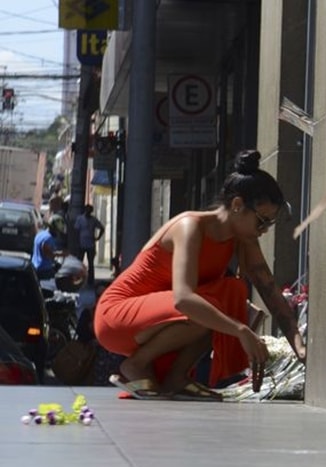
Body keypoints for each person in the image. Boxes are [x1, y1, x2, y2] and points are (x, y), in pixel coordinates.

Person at [93, 150, 306, 401]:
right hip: (117, 317)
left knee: (233, 291)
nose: (264, 231)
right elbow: (183, 299)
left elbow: (269, 291)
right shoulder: (190, 226)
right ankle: (135, 365)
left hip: (162, 321)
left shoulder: (242, 238)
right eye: (262, 222)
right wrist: (241, 330)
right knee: (205, 306)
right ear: (237, 205)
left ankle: (177, 376)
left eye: (269, 224)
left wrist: (299, 348)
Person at [74, 204, 105, 286]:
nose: (88, 212)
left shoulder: (93, 220)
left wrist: (97, 238)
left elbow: (102, 228)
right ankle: (78, 279)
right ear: (85, 210)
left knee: (91, 263)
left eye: (89, 210)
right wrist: (77, 242)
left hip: (91, 244)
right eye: (87, 210)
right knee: (79, 262)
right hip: (81, 243)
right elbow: (76, 231)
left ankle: (90, 280)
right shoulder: (80, 219)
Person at [32, 214, 66, 280]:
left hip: (35, 267)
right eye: (58, 231)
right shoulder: (48, 238)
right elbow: (48, 254)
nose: (58, 234)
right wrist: (62, 254)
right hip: (44, 270)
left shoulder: (40, 234)